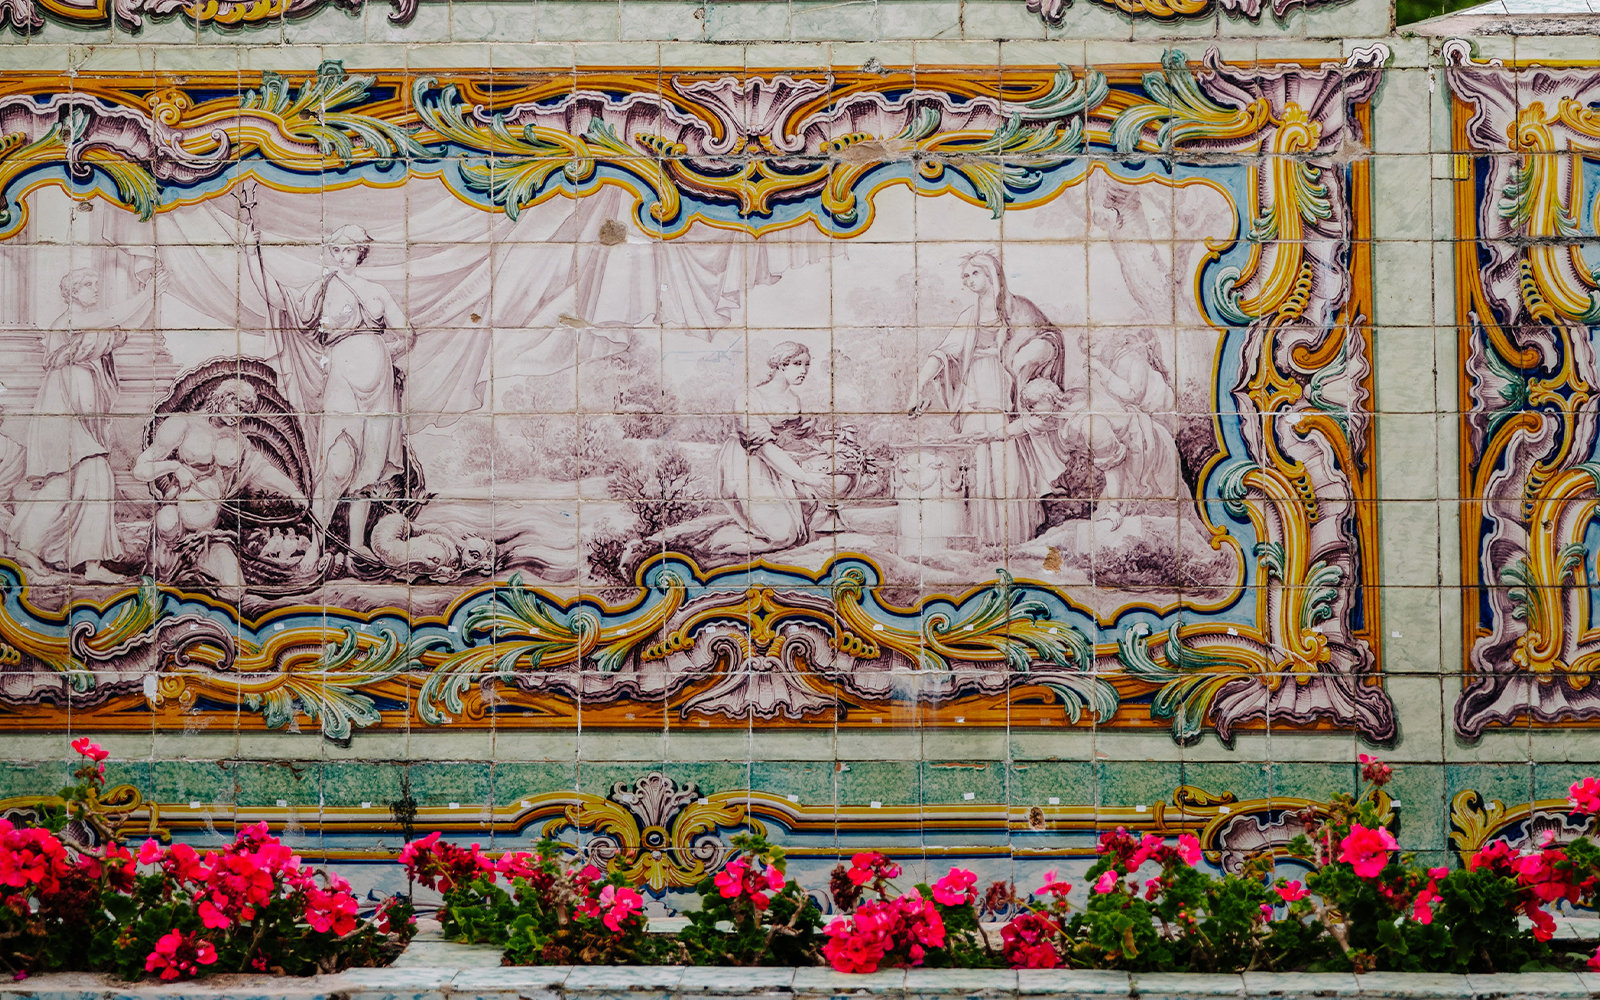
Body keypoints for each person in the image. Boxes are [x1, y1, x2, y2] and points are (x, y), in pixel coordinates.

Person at [245, 222, 411, 561]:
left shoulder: (377, 290)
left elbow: (407, 333)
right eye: (336, 249)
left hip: (379, 388)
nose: (341, 256)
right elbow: (278, 298)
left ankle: (357, 542)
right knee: (337, 462)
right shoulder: (323, 288)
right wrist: (251, 253)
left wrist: (383, 356)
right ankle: (317, 545)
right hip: (342, 380)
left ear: (361, 252)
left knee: (370, 464)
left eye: (348, 249)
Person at [11, 266, 157, 582]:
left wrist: (152, 293)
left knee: (65, 485)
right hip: (62, 415)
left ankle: (36, 549)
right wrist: (148, 291)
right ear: (74, 291)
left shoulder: (90, 326)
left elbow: (126, 325)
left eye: (96, 283)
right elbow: (114, 317)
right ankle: (87, 563)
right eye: (89, 285)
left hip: (80, 421)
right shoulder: (71, 321)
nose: (95, 289)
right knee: (93, 477)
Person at [913, 251, 1065, 546]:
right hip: (974, 394)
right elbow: (943, 353)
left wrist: (1028, 357)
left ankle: (1014, 540)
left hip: (1006, 392)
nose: (969, 280)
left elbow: (1049, 339)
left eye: (974, 273)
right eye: (965, 276)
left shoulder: (1019, 309)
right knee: (978, 468)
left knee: (1008, 468)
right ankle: (984, 540)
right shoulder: (968, 317)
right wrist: (917, 388)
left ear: (991, 273)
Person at [134, 379, 312, 587]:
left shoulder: (237, 439)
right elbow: (141, 469)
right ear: (221, 398)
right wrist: (175, 467)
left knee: (235, 588)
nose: (238, 416)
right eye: (236, 406)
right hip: (173, 534)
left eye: (244, 412)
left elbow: (260, 468)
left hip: (209, 536)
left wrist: (292, 491)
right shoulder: (183, 423)